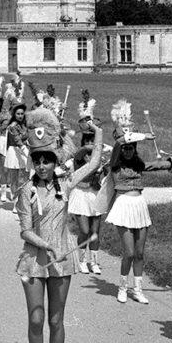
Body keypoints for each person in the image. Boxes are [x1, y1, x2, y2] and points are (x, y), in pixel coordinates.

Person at [15, 107, 104, 343]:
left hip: (63, 257)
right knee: (36, 318)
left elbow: (93, 163)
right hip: (34, 259)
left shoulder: (65, 184)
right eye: (37, 160)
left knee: (56, 318)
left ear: (54, 162)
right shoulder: (26, 190)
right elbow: (25, 230)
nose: (42, 165)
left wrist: (95, 129)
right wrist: (44, 244)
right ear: (33, 162)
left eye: (47, 160)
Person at [105, 100, 172, 304]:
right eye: (126, 148)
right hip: (123, 206)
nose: (129, 150)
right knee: (129, 252)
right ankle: (123, 287)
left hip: (139, 206)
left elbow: (159, 165)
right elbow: (121, 140)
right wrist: (146, 136)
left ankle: (137, 289)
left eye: (132, 148)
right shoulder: (115, 163)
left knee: (140, 253)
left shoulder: (139, 165)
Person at [69, 92, 105, 273]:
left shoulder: (101, 158)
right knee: (84, 230)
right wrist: (90, 144)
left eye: (94, 140)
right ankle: (82, 259)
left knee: (95, 231)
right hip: (81, 194)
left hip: (95, 194)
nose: (92, 143)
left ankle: (94, 261)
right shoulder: (80, 156)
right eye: (88, 140)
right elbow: (81, 153)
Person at [0, 102, 28, 203]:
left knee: (24, 177)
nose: (20, 116)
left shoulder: (25, 125)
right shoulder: (12, 126)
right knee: (14, 178)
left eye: (22, 113)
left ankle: (23, 199)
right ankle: (16, 201)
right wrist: (25, 150)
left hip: (24, 151)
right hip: (15, 151)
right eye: (18, 114)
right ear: (14, 115)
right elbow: (17, 140)